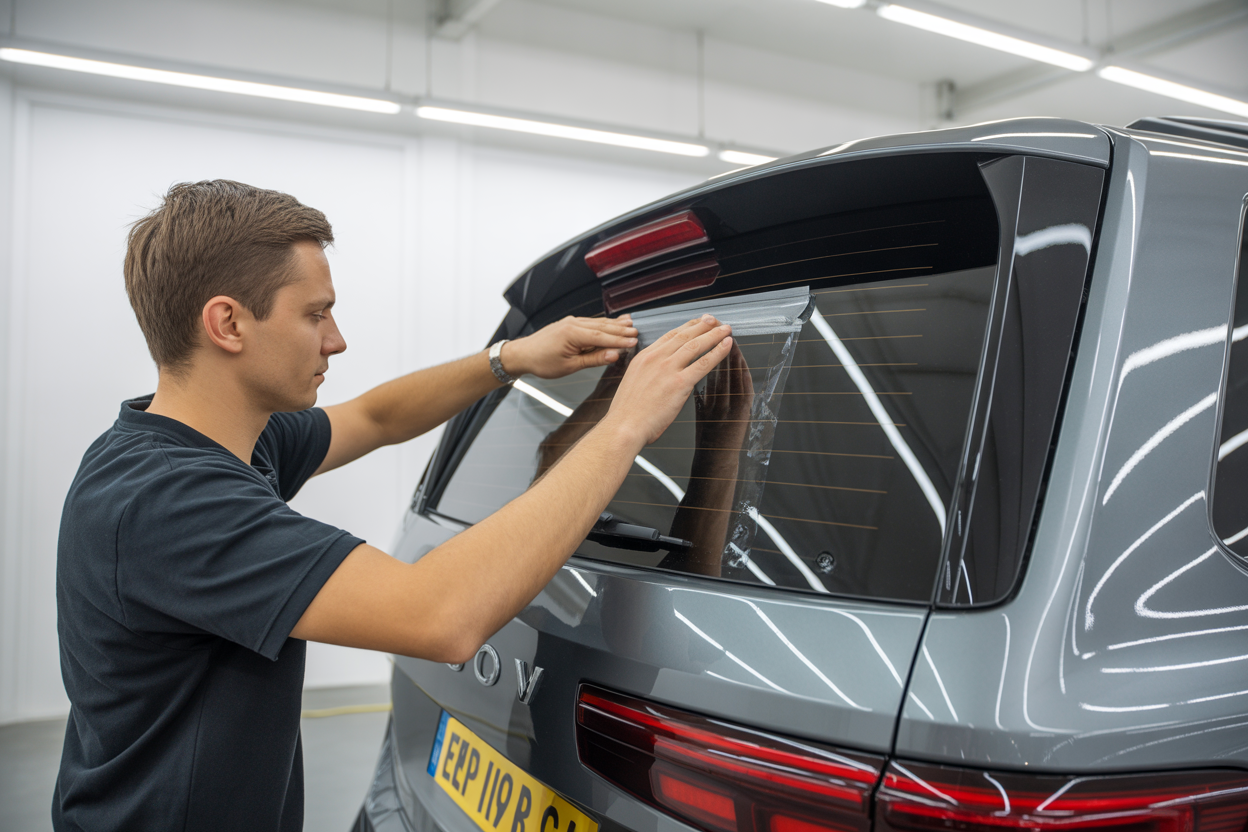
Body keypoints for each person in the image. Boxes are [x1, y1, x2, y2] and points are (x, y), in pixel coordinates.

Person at [53, 180, 734, 832]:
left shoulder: (208, 440)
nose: (335, 339)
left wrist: (512, 358)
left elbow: (376, 416)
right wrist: (624, 427)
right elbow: (441, 617)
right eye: (314, 314)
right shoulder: (169, 501)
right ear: (228, 323)